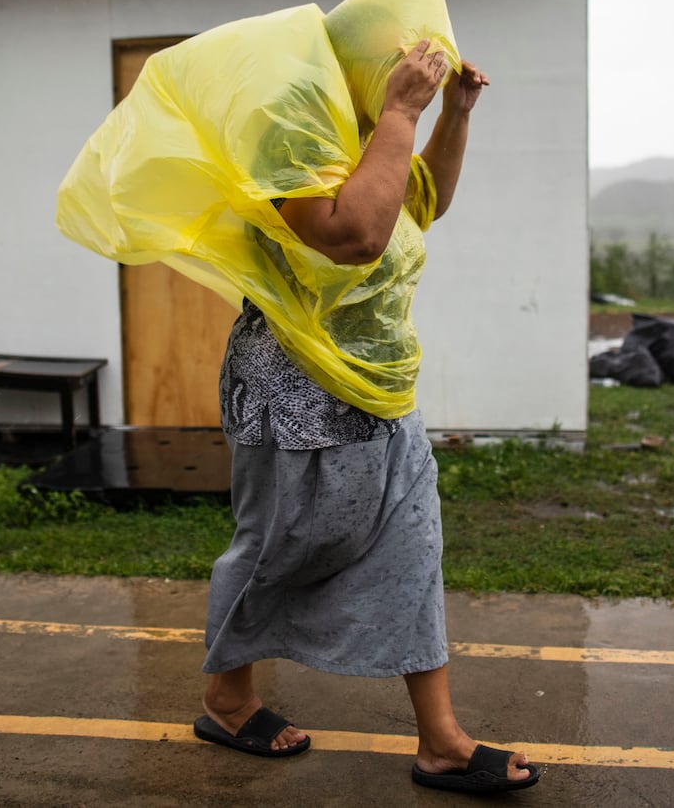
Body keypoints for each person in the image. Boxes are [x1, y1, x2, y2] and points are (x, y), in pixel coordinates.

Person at [194, 39, 541, 794]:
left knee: (413, 551)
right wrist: (401, 111)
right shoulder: (284, 152)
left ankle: (442, 741)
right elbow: (355, 236)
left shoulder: (361, 143)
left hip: (379, 390)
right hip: (295, 394)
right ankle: (227, 698)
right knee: (277, 549)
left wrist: (453, 113)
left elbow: (421, 202)